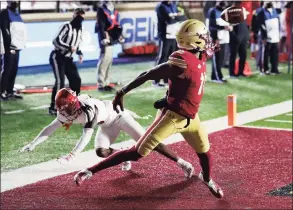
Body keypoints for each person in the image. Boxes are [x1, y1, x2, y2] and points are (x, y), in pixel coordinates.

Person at [74, 19, 224, 199]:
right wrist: (122, 92)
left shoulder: (200, 54)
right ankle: (90, 170)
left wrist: (222, 31)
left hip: (192, 118)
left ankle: (206, 178)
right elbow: (148, 75)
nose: (206, 39)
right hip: (172, 117)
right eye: (203, 36)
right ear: (194, 40)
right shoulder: (181, 61)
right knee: (137, 153)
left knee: (205, 154)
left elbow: (208, 50)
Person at [19, 88, 194, 175]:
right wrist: (33, 143)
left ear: (75, 104)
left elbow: (86, 135)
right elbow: (50, 128)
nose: (66, 114)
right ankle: (124, 156)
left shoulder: (88, 109)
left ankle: (182, 163)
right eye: (62, 110)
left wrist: (70, 156)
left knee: (149, 142)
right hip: (106, 124)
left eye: (68, 110)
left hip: (119, 117)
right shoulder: (65, 111)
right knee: (101, 152)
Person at [48, 8, 85, 116]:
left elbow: (76, 44)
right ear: (74, 15)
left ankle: (73, 104)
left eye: (82, 16)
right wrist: (69, 47)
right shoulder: (66, 26)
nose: (80, 18)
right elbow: (56, 41)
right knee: (60, 82)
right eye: (78, 15)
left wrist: (79, 53)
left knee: (76, 80)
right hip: (58, 56)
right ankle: (53, 107)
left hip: (68, 59)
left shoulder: (80, 29)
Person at [153, 0, 186, 88]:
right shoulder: (161, 7)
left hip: (174, 35)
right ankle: (156, 80)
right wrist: (177, 17)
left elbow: (184, 18)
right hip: (165, 36)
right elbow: (169, 21)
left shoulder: (173, 5)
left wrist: (175, 17)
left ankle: (167, 79)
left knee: (172, 58)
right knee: (162, 58)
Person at [95, 1, 124, 92]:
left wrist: (119, 36)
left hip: (111, 36)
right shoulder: (101, 9)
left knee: (109, 60)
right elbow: (101, 25)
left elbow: (116, 23)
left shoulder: (113, 9)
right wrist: (103, 37)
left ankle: (106, 82)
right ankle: (101, 83)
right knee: (104, 60)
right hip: (105, 36)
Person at [0, 1, 26, 100]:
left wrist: (20, 44)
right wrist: (9, 46)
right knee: (7, 69)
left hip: (17, 47)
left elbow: (19, 31)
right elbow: (4, 30)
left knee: (13, 69)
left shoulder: (17, 14)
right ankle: (2, 92)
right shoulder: (4, 13)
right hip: (8, 47)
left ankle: (10, 91)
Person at [208, 1, 232, 83]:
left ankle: (217, 76)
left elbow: (227, 23)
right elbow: (211, 26)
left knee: (221, 59)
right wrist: (215, 38)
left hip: (225, 38)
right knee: (217, 58)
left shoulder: (225, 11)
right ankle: (217, 77)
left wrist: (230, 27)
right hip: (217, 39)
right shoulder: (212, 11)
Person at [257, 1, 281, 75]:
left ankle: (274, 69)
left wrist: (278, 34)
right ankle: (265, 69)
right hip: (267, 36)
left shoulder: (275, 11)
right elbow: (261, 25)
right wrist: (264, 37)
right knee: (265, 53)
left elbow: (278, 23)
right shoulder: (261, 12)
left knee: (275, 53)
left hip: (275, 36)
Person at [229, 1, 250, 77]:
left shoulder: (242, 11)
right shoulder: (229, 13)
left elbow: (245, 25)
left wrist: (247, 36)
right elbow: (230, 26)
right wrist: (234, 36)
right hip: (235, 37)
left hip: (243, 37)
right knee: (233, 55)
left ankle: (241, 72)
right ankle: (232, 73)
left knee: (243, 55)